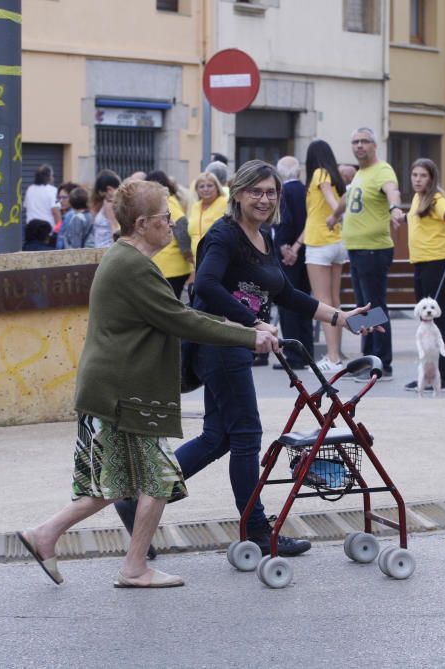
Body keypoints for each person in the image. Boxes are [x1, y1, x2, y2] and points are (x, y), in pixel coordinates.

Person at [15, 179, 277, 588]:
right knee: (155, 479)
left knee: (118, 483)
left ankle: (45, 534)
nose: (172, 225)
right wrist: (248, 334)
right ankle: (133, 567)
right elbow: (181, 319)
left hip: (116, 389)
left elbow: (175, 313)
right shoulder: (133, 267)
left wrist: (233, 323)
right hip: (122, 392)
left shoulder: (127, 259)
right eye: (165, 218)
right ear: (141, 223)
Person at [116, 160, 378, 557]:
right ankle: (255, 529)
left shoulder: (264, 236)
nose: (264, 198)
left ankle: (138, 499)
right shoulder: (224, 235)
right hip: (221, 345)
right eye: (255, 191)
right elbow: (204, 285)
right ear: (237, 193)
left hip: (235, 344)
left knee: (217, 437)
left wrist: (339, 316)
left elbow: (286, 294)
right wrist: (252, 322)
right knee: (245, 437)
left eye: (271, 192)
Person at [335, 127, 405, 380]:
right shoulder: (361, 174)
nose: (359, 146)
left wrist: (395, 207)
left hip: (374, 249)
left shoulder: (382, 170)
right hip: (357, 249)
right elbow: (348, 197)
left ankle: (382, 363)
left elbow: (392, 190)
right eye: (355, 142)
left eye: (365, 141)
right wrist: (334, 216)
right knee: (363, 308)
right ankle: (367, 361)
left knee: (374, 307)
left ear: (375, 145)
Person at [403, 158, 445, 392]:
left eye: (422, 176)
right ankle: (427, 376)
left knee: (437, 320)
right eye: (414, 175)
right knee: (425, 322)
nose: (417, 179)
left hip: (438, 263)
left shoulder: (437, 199)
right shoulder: (419, 198)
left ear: (432, 178)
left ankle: (444, 377)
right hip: (421, 263)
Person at [290, 140, 347, 374]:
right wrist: (296, 245)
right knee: (334, 300)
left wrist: (336, 214)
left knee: (323, 302)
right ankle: (337, 354)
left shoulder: (319, 174)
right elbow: (314, 215)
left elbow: (332, 204)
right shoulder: (334, 177)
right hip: (336, 242)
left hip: (320, 244)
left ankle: (332, 357)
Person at [273, 156, 314, 370]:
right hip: (307, 252)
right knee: (305, 303)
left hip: (288, 254)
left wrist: (284, 246)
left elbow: (284, 221)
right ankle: (307, 353)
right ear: (298, 172)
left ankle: (293, 356)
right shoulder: (307, 190)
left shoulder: (284, 192)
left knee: (288, 304)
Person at [145, 170, 192, 298]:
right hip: (168, 265)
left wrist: (187, 252)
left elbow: (181, 223)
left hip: (171, 266)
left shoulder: (165, 201)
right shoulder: (165, 200)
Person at [186, 171, 228, 289]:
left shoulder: (224, 203)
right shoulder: (195, 206)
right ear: (197, 189)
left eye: (210, 185)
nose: (206, 189)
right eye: (201, 186)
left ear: (217, 187)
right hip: (197, 260)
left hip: (218, 257)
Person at [23, 164, 61, 233]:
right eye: (52, 175)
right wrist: (59, 230)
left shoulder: (29, 189)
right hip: (47, 231)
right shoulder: (53, 190)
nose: (53, 178)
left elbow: (26, 207)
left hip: (31, 229)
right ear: (48, 177)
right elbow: (55, 212)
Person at [90, 169, 121, 248]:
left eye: (103, 194)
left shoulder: (109, 204)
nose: (103, 197)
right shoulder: (110, 202)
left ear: (109, 189)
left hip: (106, 250)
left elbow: (115, 228)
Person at [54, 181, 79, 249]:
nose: (61, 201)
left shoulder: (72, 216)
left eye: (64, 198)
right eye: (59, 198)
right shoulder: (65, 215)